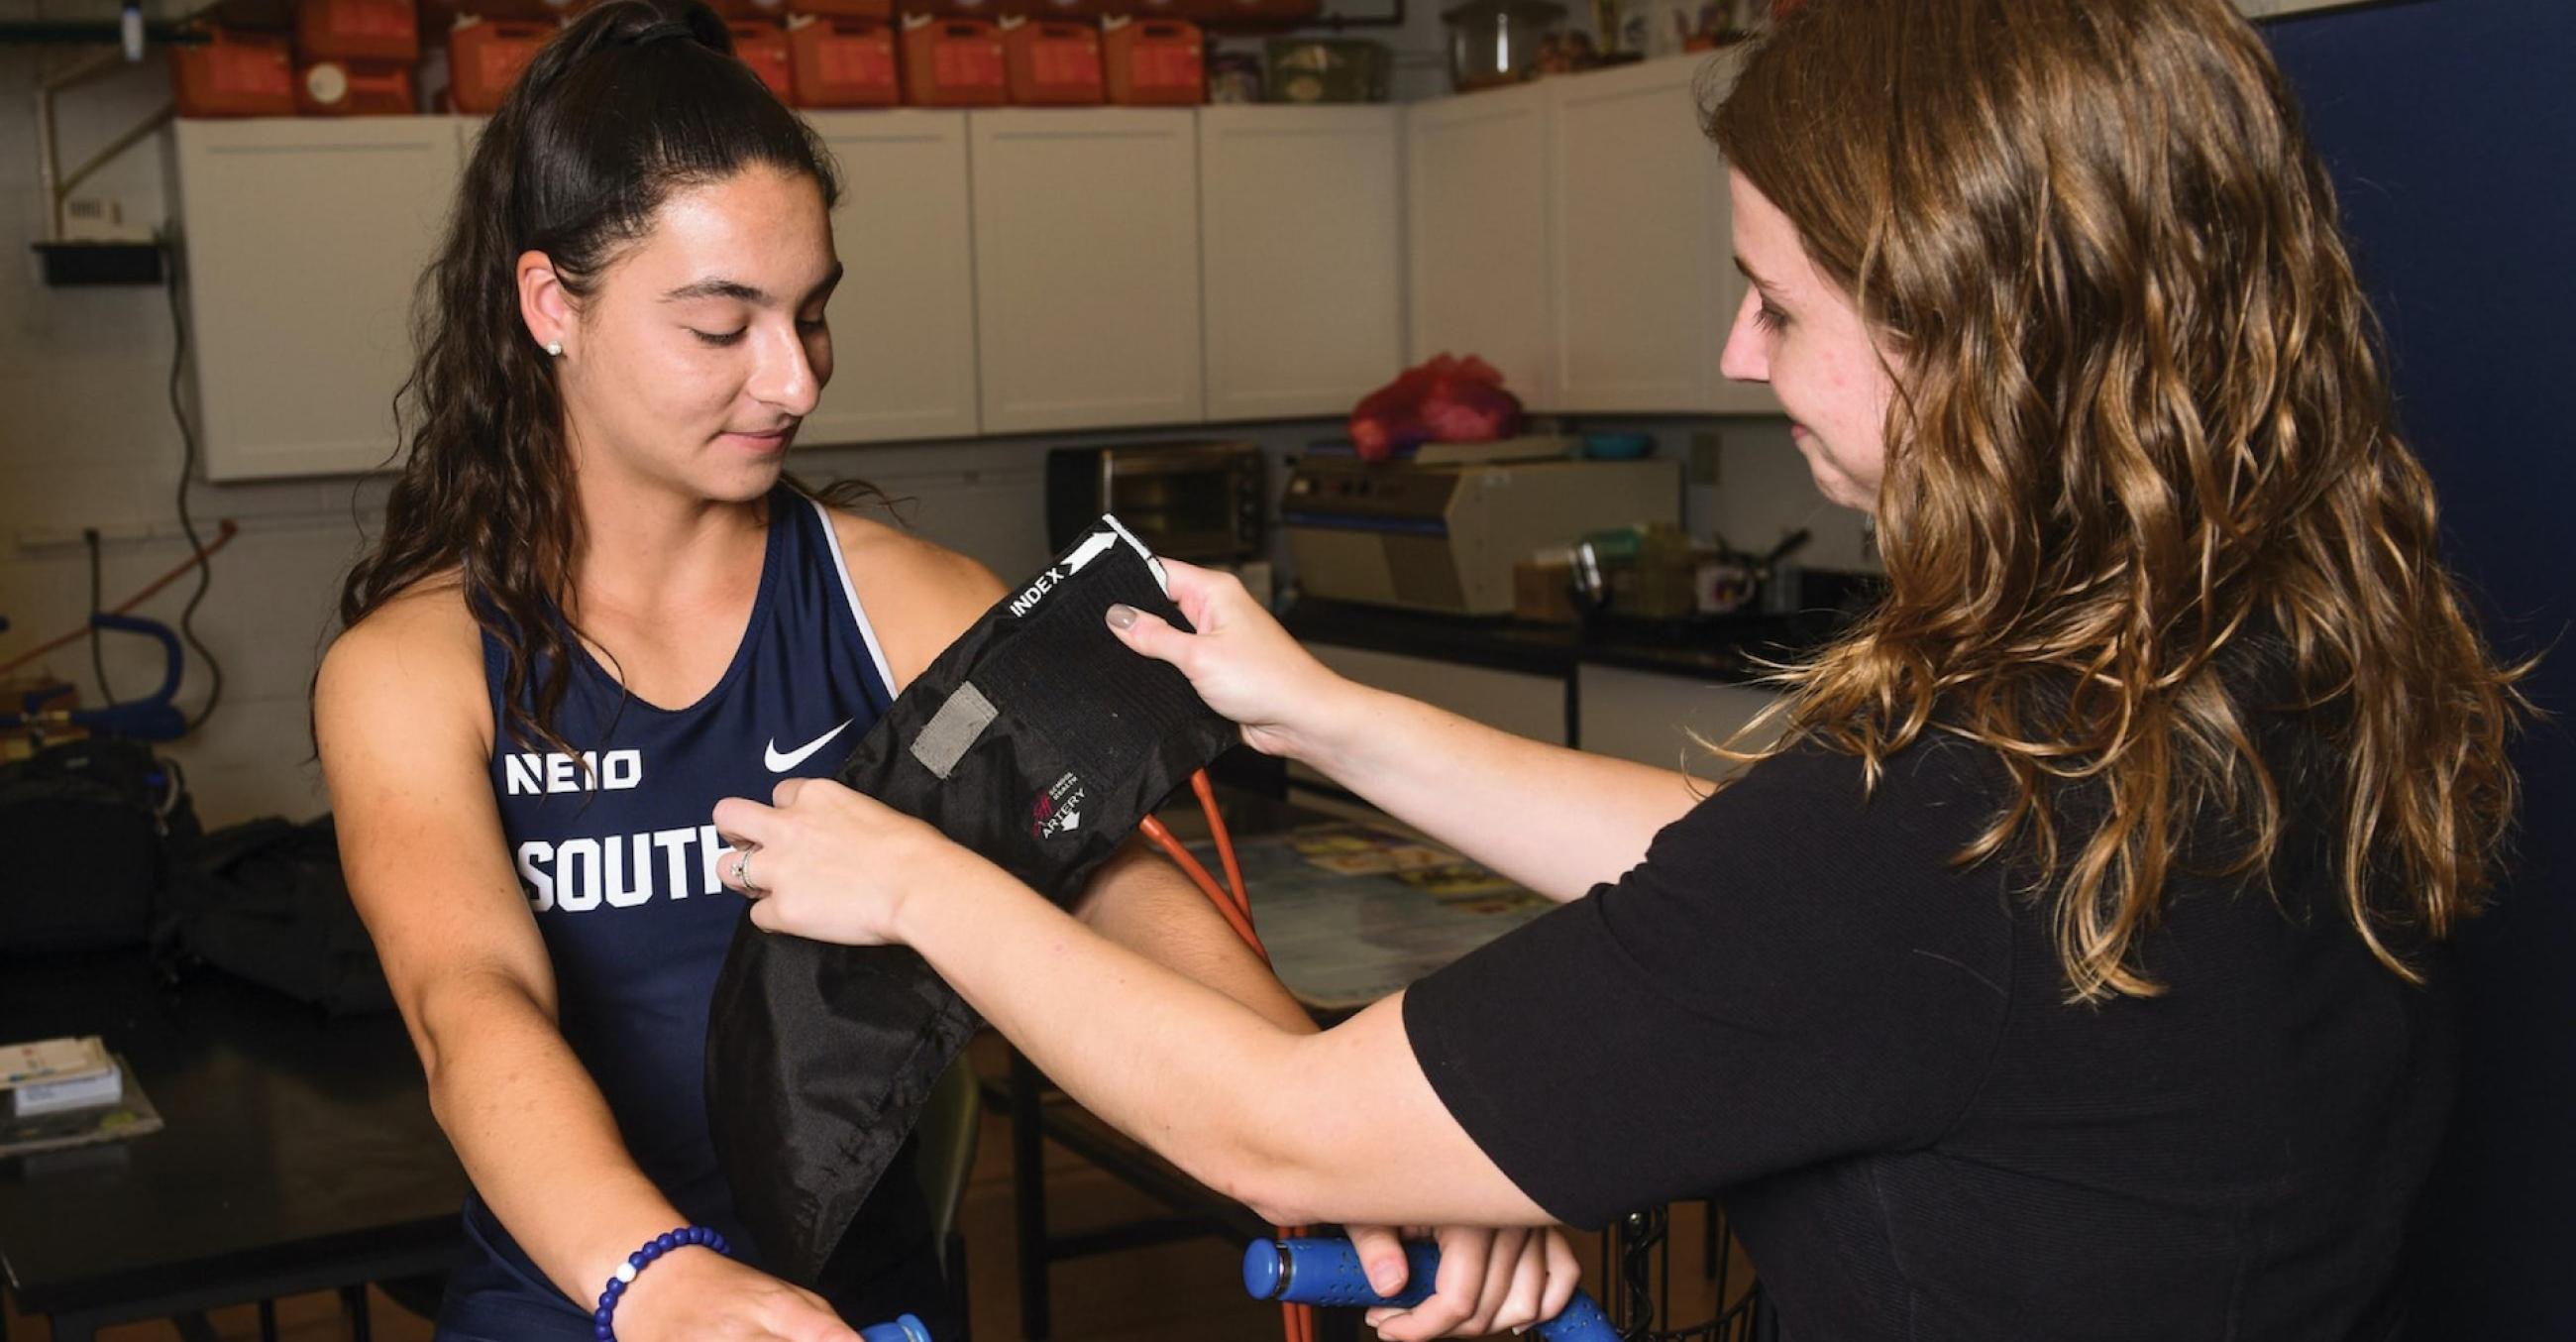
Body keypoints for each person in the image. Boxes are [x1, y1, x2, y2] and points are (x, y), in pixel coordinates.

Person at [713, 0, 2535, 1338]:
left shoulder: (1939, 832)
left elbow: (1284, 1133)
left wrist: (923, 886)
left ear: (1982, 340)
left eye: (1783, 302)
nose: (1734, 352)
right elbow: (1754, 868)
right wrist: (1328, 714)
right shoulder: (2265, 656)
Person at [315, 4, 1566, 1338]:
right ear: (550, 303)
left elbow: (1117, 892)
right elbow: (471, 1005)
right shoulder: (415, 667)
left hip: (869, 1313)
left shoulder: (899, 604)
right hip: (583, 1303)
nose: (793, 381)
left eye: (813, 316)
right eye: (721, 326)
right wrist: (657, 1278)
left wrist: (1348, 1139)